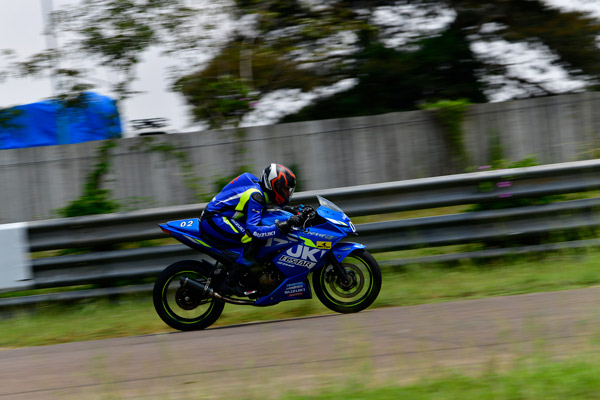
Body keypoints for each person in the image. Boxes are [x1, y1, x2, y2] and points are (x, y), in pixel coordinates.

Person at [200, 163, 302, 296]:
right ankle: (230, 283)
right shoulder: (256, 196)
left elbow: (267, 209)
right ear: (274, 186)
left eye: (289, 190)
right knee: (255, 239)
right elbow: (255, 231)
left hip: (225, 217)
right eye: (285, 190)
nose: (287, 193)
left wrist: (293, 211)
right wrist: (281, 226)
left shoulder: (261, 191)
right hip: (215, 219)